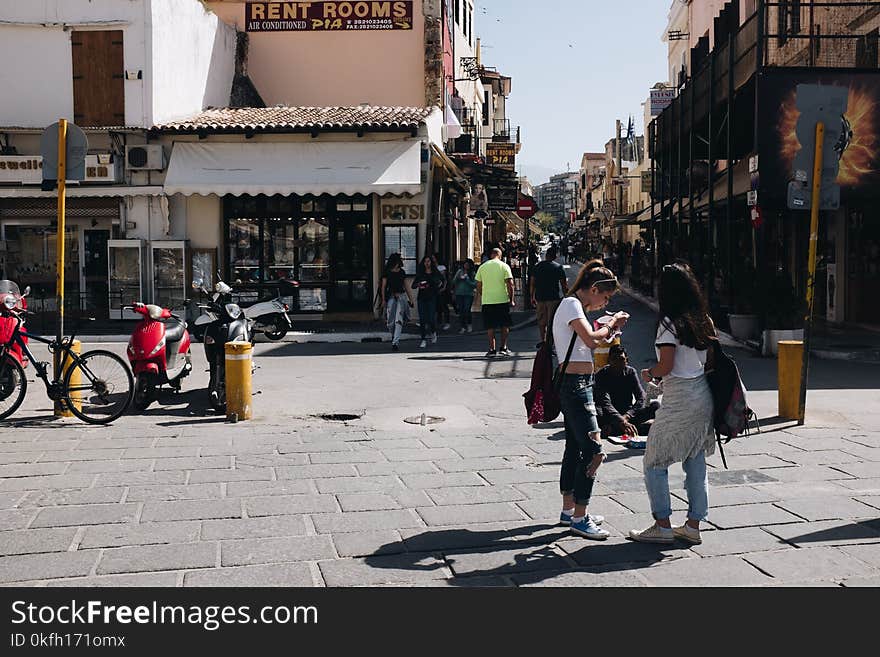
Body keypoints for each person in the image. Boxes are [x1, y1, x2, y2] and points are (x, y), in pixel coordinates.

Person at [628, 262, 716, 546]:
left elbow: (666, 365)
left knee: (654, 461)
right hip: (703, 396)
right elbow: (707, 362)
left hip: (679, 399)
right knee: (696, 461)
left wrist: (649, 373)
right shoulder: (704, 320)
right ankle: (693, 525)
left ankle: (662, 525)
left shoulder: (669, 324)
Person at [553, 260, 629, 539]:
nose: (604, 302)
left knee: (574, 448)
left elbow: (587, 339)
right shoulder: (572, 305)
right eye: (605, 297)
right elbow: (591, 340)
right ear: (594, 288)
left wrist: (608, 327)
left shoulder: (574, 307)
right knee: (595, 452)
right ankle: (580, 518)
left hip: (579, 381)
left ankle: (569, 510)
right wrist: (611, 324)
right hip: (575, 385)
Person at [594, 344, 660, 437]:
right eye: (614, 359)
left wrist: (627, 416)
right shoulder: (601, 375)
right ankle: (630, 429)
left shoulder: (630, 372)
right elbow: (605, 403)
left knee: (655, 405)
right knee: (595, 412)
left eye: (621, 359)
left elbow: (641, 397)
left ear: (627, 361)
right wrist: (621, 420)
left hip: (627, 414)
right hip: (609, 415)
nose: (617, 363)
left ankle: (617, 429)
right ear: (609, 361)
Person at [475, 247, 514, 358]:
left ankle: (492, 349)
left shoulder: (483, 267)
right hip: (502, 299)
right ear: (500, 255)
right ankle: (503, 347)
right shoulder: (504, 266)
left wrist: (483, 293)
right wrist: (511, 299)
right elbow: (510, 284)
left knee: (490, 326)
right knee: (504, 325)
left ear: (491, 255)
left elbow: (478, 284)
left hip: (488, 300)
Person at [530, 246, 569, 344]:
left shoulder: (537, 266)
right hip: (553, 297)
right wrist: (566, 296)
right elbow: (564, 284)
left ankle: (542, 339)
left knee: (541, 320)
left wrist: (532, 296)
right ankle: (549, 342)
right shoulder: (558, 267)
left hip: (540, 297)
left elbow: (532, 283)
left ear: (546, 255)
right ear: (555, 256)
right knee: (551, 321)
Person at [380, 253, 414, 352]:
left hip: (401, 297)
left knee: (398, 320)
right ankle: (394, 336)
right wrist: (383, 300)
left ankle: (395, 342)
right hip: (391, 297)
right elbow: (383, 287)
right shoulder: (387, 272)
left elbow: (406, 286)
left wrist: (411, 299)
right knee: (390, 322)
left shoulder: (402, 272)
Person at [412, 255, 443, 349]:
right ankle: (423, 339)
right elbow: (413, 285)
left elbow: (442, 281)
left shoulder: (435, 273)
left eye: (428, 261)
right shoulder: (420, 273)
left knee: (431, 318)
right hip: (421, 298)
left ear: (431, 263)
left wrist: (438, 287)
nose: (427, 263)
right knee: (422, 319)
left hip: (432, 297)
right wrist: (419, 284)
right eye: (425, 261)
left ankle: (433, 332)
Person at [453, 258, 477, 333]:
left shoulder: (472, 273)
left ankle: (469, 324)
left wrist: (467, 280)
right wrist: (458, 278)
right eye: (465, 264)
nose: (466, 266)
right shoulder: (460, 272)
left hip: (468, 294)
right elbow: (453, 281)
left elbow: (475, 284)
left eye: (468, 265)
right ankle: (463, 326)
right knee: (461, 311)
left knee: (467, 310)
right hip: (459, 293)